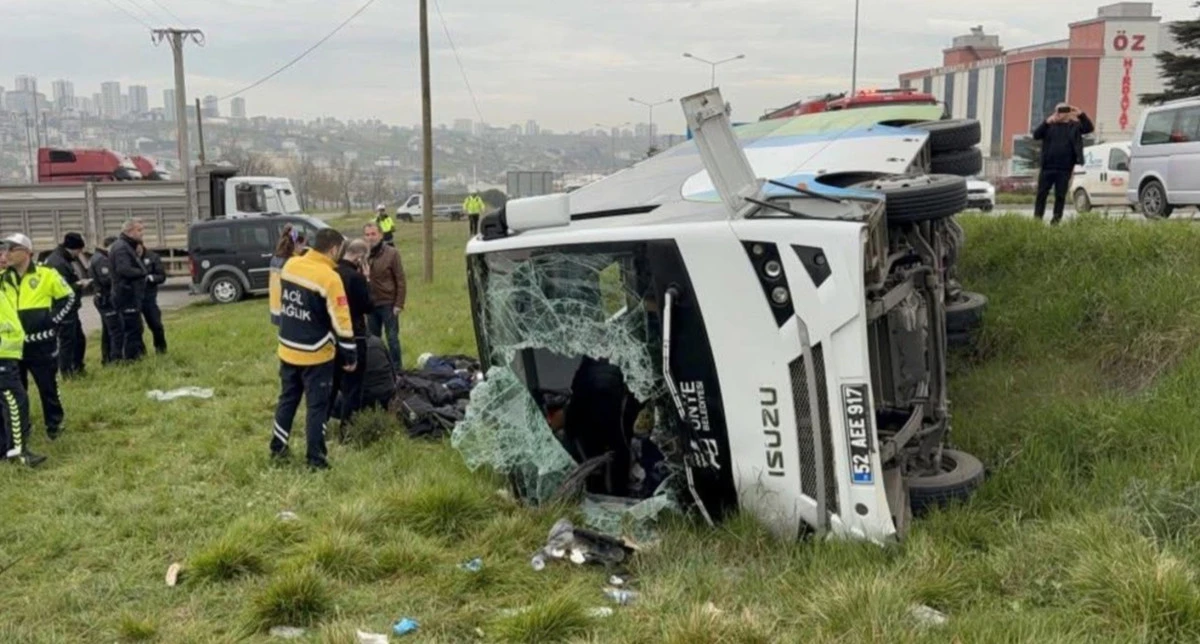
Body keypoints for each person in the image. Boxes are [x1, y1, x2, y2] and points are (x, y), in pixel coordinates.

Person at [269, 228, 356, 470]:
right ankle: (315, 459)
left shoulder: (291, 265)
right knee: (317, 407)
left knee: (287, 400)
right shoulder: (330, 278)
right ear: (334, 249)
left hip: (287, 348)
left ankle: (278, 448)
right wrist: (350, 354)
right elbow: (342, 321)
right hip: (316, 354)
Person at [1, 233, 75, 442]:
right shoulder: (3, 278)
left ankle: (55, 424)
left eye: (11, 249)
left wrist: (52, 321)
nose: (6, 254)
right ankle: (21, 431)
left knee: (47, 386)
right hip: (13, 346)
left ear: (27, 252)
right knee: (17, 392)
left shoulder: (46, 274)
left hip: (41, 343)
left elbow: (68, 297)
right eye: (4, 249)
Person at [0, 243, 43, 468]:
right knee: (15, 401)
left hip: (8, 352)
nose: (3, 257)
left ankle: (5, 449)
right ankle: (19, 452)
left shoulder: (4, 280)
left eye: (4, 252)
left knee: (4, 403)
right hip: (2, 354)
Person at [331, 239, 373, 428]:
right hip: (354, 334)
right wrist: (367, 279)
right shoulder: (356, 278)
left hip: (331, 335)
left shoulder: (332, 273)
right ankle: (347, 429)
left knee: (332, 385)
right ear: (360, 257)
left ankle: (322, 424)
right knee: (353, 386)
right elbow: (368, 306)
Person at [1032, 102, 1094, 225]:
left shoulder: (1074, 126)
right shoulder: (1049, 126)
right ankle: (1037, 220)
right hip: (1047, 168)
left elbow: (1089, 128)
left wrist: (1080, 114)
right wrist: (1047, 122)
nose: (1059, 113)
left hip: (1064, 168)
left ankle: (1056, 220)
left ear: (1068, 113)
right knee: (1041, 194)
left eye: (1063, 111)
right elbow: (1036, 135)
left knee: (1060, 196)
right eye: (1058, 110)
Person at [44, 232, 90, 377]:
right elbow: (60, 289)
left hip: (69, 308)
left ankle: (77, 367)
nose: (80, 253)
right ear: (74, 248)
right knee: (67, 341)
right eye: (79, 250)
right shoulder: (58, 263)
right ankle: (67, 372)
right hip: (62, 308)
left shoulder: (62, 258)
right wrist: (79, 284)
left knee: (78, 339)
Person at [363, 222, 406, 369]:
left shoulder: (392, 253)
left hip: (388, 303)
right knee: (373, 341)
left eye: (373, 234)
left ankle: (398, 369)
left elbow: (400, 279)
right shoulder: (362, 255)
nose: (370, 238)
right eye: (367, 235)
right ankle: (378, 369)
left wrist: (399, 303)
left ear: (380, 235)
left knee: (392, 339)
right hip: (370, 305)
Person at [110, 218, 148, 361]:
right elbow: (124, 269)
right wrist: (142, 273)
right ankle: (132, 360)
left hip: (131, 294)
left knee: (137, 327)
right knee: (131, 329)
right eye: (139, 230)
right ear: (129, 231)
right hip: (125, 294)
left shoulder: (128, 245)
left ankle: (137, 356)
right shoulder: (121, 247)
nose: (142, 233)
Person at [89, 236, 121, 365]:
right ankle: (115, 360)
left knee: (107, 331)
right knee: (115, 331)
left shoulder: (97, 257)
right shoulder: (102, 259)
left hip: (102, 298)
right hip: (105, 299)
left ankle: (106, 358)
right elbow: (106, 279)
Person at [138, 243, 168, 354]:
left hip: (149, 297)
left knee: (156, 325)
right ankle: (140, 352)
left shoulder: (152, 257)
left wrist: (151, 278)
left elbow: (162, 276)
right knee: (137, 328)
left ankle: (161, 349)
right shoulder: (129, 257)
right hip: (134, 297)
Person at [269, 224, 301, 326]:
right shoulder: (292, 262)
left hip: (275, 307)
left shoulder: (275, 258)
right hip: (289, 310)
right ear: (296, 244)